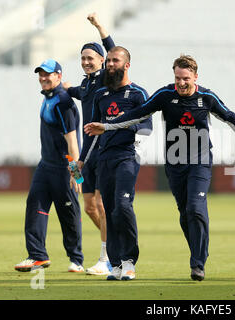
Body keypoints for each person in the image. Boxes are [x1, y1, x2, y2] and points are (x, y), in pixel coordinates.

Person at [84, 54, 235, 281]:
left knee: (195, 207)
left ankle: (198, 263)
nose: (181, 83)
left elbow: (230, 117)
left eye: (185, 78)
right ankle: (195, 252)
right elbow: (138, 113)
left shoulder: (207, 97)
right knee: (185, 213)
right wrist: (106, 126)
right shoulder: (165, 95)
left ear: (195, 76)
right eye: (177, 78)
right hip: (174, 164)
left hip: (200, 162)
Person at [80, 46, 152, 281]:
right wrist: (82, 160)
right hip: (104, 160)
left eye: (115, 61)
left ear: (127, 65)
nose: (110, 64)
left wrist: (116, 126)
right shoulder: (101, 95)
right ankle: (115, 263)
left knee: (122, 207)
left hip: (127, 158)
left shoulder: (138, 94)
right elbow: (92, 132)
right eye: (108, 61)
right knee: (108, 212)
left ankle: (130, 261)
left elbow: (146, 128)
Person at [15, 59, 84, 273]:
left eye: (48, 74)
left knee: (68, 213)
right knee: (35, 205)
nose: (43, 78)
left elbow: (72, 141)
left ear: (58, 76)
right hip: (46, 165)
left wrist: (76, 174)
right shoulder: (50, 97)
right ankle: (37, 256)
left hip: (64, 169)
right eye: (41, 74)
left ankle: (76, 260)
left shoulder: (62, 103)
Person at [63, 13, 115, 275]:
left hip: (101, 151)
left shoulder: (107, 77)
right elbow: (76, 92)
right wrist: (64, 86)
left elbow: (113, 50)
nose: (85, 62)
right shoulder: (85, 85)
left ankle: (106, 258)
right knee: (90, 206)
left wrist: (99, 28)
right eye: (82, 58)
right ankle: (115, 241)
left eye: (90, 58)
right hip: (85, 155)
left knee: (102, 205)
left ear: (101, 61)